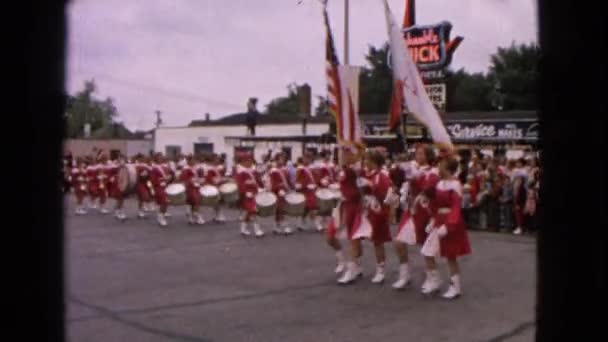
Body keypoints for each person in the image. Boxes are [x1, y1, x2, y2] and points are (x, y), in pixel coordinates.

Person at [420, 156, 471, 299]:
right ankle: (434, 280)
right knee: (427, 252)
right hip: (439, 221)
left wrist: (449, 226)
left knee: (450, 256)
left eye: (441, 165)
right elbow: (435, 204)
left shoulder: (455, 185)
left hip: (450, 223)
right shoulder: (440, 183)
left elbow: (456, 207)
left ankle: (455, 287)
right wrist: (432, 219)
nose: (438, 167)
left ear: (448, 168)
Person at [391, 144, 440, 290]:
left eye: (421, 154)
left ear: (428, 156)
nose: (418, 156)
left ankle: (433, 278)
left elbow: (429, 189)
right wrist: (399, 168)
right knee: (399, 243)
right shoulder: (411, 167)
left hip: (425, 212)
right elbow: (394, 177)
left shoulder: (433, 171)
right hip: (411, 211)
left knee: (426, 248)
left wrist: (416, 176)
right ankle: (404, 274)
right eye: (417, 153)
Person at [359, 149, 393, 284]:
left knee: (377, 241)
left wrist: (371, 188)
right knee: (359, 237)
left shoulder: (382, 176)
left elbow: (386, 196)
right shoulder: (368, 174)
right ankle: (356, 265)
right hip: (367, 209)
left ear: (375, 162)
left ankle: (381, 269)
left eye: (368, 159)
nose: (365, 162)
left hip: (378, 211)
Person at [330, 146, 363, 282]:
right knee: (330, 236)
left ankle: (352, 267)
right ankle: (343, 261)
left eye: (346, 153)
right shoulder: (342, 169)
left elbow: (360, 189)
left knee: (353, 238)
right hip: (341, 206)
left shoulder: (355, 169)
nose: (342, 155)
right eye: (342, 153)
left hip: (353, 206)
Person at [235, 152, 265, 237]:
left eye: (251, 159)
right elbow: (240, 184)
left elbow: (258, 180)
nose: (250, 161)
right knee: (253, 210)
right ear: (243, 161)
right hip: (246, 195)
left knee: (249, 211)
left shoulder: (253, 170)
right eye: (248, 160)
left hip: (254, 192)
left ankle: (243, 228)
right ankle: (257, 229)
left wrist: (263, 187)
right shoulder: (240, 171)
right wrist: (245, 192)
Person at [295, 153, 322, 232]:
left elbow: (314, 178)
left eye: (309, 158)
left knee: (307, 208)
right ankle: (317, 224)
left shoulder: (309, 168)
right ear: (303, 159)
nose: (307, 160)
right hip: (305, 190)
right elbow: (298, 180)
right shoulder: (300, 168)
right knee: (311, 207)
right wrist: (305, 186)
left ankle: (300, 222)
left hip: (311, 190)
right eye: (306, 158)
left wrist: (317, 184)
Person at [268, 152, 293, 235]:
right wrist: (278, 189)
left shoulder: (286, 170)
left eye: (283, 159)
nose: (282, 160)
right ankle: (283, 226)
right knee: (280, 209)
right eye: (280, 159)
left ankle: (277, 226)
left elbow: (289, 181)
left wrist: (293, 188)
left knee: (283, 209)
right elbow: (272, 183)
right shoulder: (273, 170)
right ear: (276, 160)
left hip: (285, 191)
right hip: (277, 192)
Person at [180, 155, 205, 225]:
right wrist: (190, 181)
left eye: (194, 160)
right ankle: (193, 216)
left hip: (197, 186)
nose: (193, 161)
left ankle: (194, 215)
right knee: (192, 201)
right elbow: (184, 178)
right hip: (190, 187)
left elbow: (201, 175)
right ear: (188, 161)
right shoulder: (185, 168)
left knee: (196, 201)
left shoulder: (197, 167)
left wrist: (200, 178)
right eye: (191, 160)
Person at [204, 154, 227, 223]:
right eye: (216, 159)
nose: (217, 160)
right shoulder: (209, 168)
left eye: (218, 159)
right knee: (217, 201)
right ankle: (219, 215)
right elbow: (209, 178)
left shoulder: (218, 167)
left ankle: (217, 215)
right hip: (214, 186)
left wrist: (223, 179)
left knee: (218, 201)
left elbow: (221, 176)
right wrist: (215, 183)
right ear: (212, 160)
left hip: (218, 184)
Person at [150, 153, 171, 227]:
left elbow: (168, 176)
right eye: (159, 157)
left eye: (161, 157)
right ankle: (161, 217)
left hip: (165, 186)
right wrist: (163, 179)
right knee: (164, 201)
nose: (161, 159)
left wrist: (169, 178)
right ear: (156, 159)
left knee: (166, 202)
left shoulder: (164, 167)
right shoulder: (154, 168)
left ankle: (160, 215)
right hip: (158, 187)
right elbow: (152, 180)